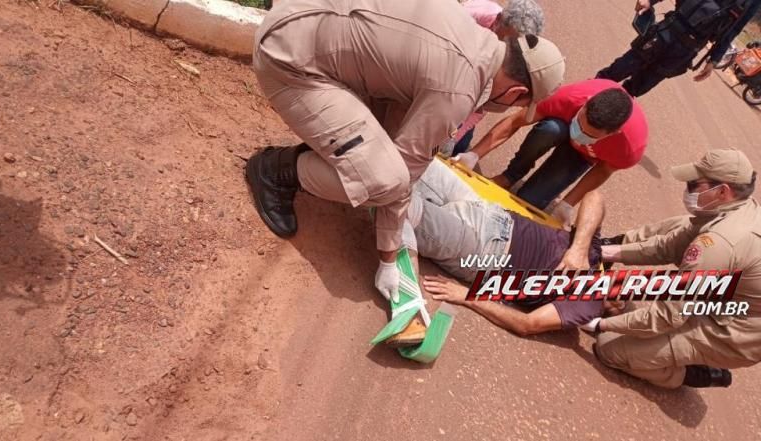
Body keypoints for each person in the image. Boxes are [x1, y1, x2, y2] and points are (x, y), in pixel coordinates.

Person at [246, 0, 565, 303]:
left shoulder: (472, 36)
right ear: (517, 93)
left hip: (301, 15)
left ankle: (322, 157)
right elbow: (403, 174)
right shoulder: (458, 88)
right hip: (288, 59)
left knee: (384, 148)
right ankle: (276, 171)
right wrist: (389, 258)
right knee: (385, 182)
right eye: (522, 104)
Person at [590, 149, 760, 389]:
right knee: (680, 225)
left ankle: (695, 373)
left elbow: (669, 315)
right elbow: (669, 246)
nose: (687, 188)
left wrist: (599, 325)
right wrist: (607, 251)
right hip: (719, 295)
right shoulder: (732, 208)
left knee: (608, 347)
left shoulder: (719, 243)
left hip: (731, 331)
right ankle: (625, 309)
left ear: (723, 191)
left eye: (694, 184)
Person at [396, 158, 618, 336]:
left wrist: (468, 296)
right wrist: (579, 247)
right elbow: (595, 197)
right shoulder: (592, 254)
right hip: (491, 211)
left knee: (396, 203)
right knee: (409, 157)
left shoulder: (586, 304)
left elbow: (528, 324)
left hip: (484, 251)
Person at [455, 79, 647, 223]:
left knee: (527, 203)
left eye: (589, 134)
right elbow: (516, 121)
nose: (579, 133)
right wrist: (474, 154)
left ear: (614, 133)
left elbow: (602, 171)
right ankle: (510, 176)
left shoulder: (630, 148)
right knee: (549, 130)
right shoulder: (570, 97)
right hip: (558, 128)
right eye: (580, 123)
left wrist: (568, 204)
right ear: (586, 104)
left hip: (583, 156)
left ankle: (536, 189)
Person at [596, 0, 761, 97]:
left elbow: (733, 30)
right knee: (619, 69)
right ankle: (580, 100)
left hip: (686, 50)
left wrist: (714, 60)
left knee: (637, 88)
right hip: (668, 30)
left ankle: (602, 121)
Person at [453, 0, 546, 155]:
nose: (509, 47)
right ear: (498, 21)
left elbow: (489, 95)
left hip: (475, 95)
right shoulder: (470, 16)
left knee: (458, 145)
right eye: (508, 39)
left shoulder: (520, 49)